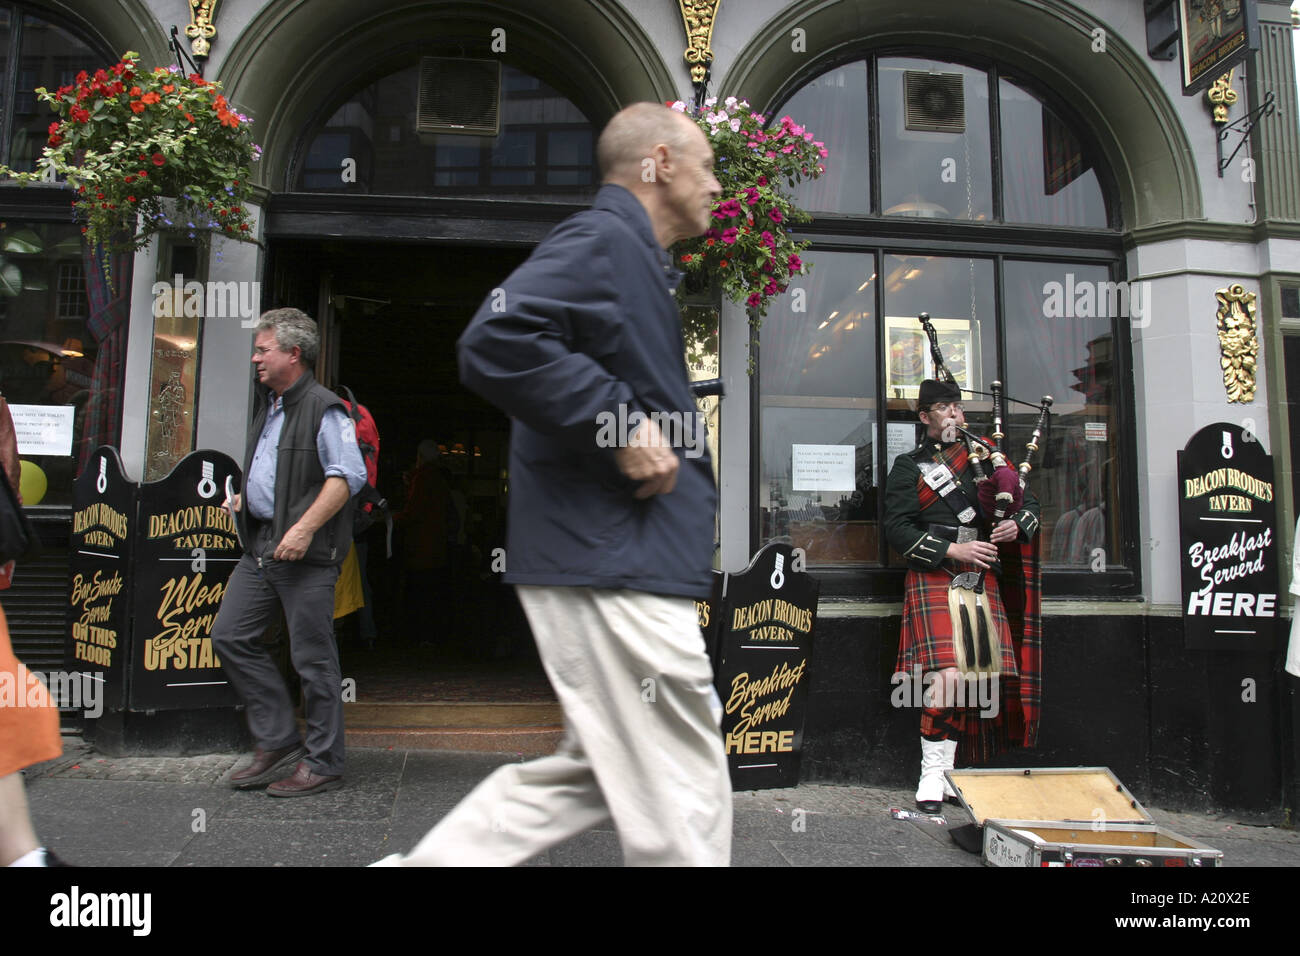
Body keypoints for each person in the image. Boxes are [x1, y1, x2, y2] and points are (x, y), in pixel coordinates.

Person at [372, 102, 729, 866]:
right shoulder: (603, 239)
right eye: (707, 163)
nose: (717, 184)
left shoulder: (630, 257)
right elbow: (495, 337)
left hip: (614, 557)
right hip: (614, 559)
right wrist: (622, 422)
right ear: (659, 162)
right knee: (684, 788)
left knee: (597, 775)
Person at [212, 308, 366, 797]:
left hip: (305, 555)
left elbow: (348, 477)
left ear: (293, 353)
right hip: (259, 546)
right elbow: (277, 475)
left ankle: (324, 762)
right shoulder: (272, 405)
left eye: (263, 349)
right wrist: (246, 501)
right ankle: (279, 739)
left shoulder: (325, 407)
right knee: (230, 635)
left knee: (313, 662)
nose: (255, 358)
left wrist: (301, 530)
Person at [884, 379, 1041, 814]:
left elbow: (1030, 505)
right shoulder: (908, 466)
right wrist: (953, 549)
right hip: (938, 569)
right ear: (924, 417)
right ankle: (931, 772)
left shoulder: (988, 457)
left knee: (972, 675)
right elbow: (897, 529)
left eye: (957, 405)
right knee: (948, 674)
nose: (954, 413)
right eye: (944, 407)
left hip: (979, 571)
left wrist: (1016, 525)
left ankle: (949, 772)